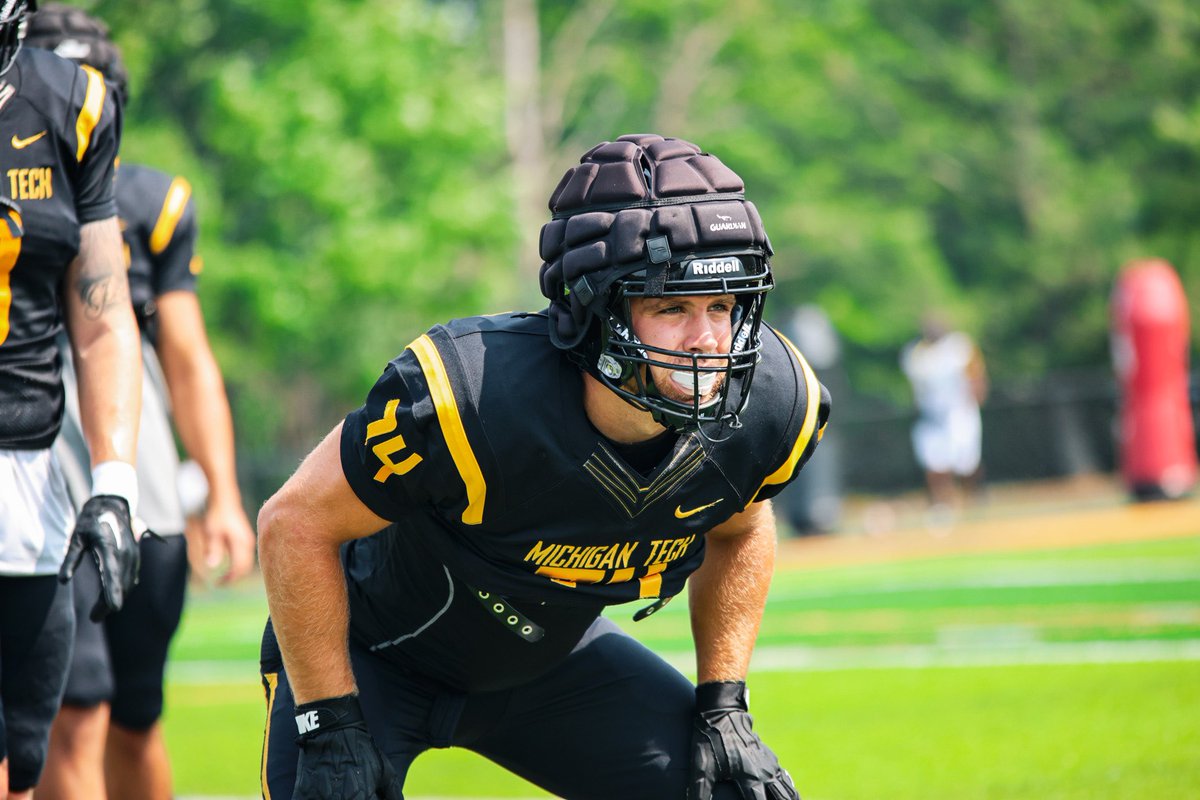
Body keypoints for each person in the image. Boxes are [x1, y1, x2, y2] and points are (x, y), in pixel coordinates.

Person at [257, 133, 830, 800]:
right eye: (671, 307)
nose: (706, 339)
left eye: (722, 307)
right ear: (594, 313)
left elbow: (741, 529)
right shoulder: (473, 397)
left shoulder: (771, 403)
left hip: (549, 668)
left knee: (730, 789)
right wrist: (329, 722)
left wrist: (725, 701)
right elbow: (293, 523)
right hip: (374, 659)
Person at [19, 6, 258, 800]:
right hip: (36, 469)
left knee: (135, 716)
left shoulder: (152, 202)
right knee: (72, 711)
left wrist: (220, 489)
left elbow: (186, 360)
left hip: (139, 485)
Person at [0, 1, 144, 796]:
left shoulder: (75, 105)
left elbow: (101, 316)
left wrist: (115, 483)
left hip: (27, 475)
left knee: (24, 761)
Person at [899, 312, 988, 511]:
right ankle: (942, 504)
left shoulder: (960, 347)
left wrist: (974, 400)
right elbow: (915, 389)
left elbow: (976, 377)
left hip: (959, 413)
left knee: (966, 463)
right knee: (935, 464)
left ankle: (974, 498)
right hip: (932, 416)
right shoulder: (916, 354)